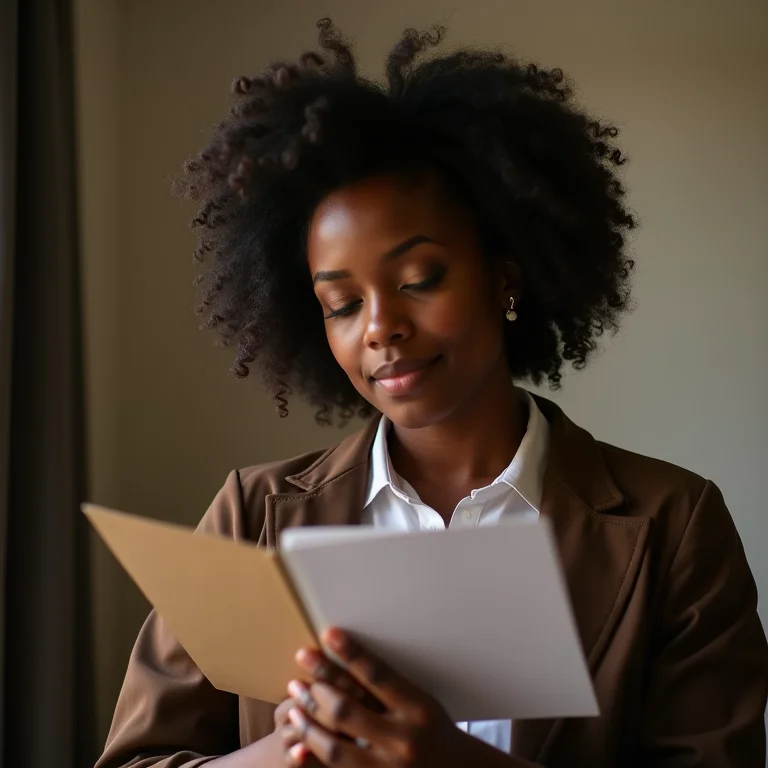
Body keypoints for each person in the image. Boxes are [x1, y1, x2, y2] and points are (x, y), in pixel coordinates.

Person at [95, 19, 768, 768]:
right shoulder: (252, 515)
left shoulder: (673, 524)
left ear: (504, 277)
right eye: (343, 304)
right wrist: (296, 748)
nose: (381, 328)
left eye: (419, 281)